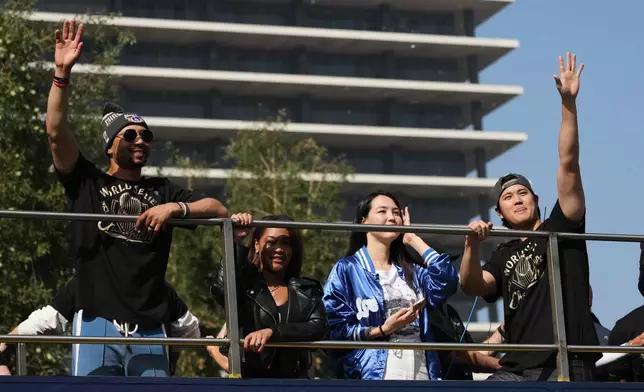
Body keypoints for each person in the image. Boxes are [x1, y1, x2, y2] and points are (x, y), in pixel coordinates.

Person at [46, 20, 228, 376]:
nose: (140, 140)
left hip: (150, 322)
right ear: (110, 146)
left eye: (146, 135)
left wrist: (175, 207)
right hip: (98, 318)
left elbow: (218, 208)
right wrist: (61, 74)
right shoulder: (87, 181)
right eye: (129, 135)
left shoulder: (162, 189)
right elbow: (55, 131)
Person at [459, 52, 599, 381]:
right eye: (508, 197)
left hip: (566, 361)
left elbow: (568, 162)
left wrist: (568, 103)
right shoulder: (502, 253)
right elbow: (472, 285)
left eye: (523, 192)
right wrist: (470, 245)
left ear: (536, 200)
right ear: (499, 212)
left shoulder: (562, 226)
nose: (517, 199)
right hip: (517, 368)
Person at [323, 191, 459, 380]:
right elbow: (333, 330)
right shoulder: (346, 269)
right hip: (374, 373)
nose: (391, 218)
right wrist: (383, 330)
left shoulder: (413, 271)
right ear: (363, 221)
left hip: (421, 368)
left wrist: (413, 239)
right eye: (382, 211)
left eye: (396, 213)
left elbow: (448, 282)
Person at [0, 277, 200, 376]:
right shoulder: (87, 282)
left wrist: (172, 354)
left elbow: (189, 330)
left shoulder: (158, 287)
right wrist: (7, 341)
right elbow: (47, 318)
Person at [210, 214, 327, 379]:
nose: (279, 249)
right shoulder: (244, 286)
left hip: (295, 384)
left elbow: (318, 328)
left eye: (286, 243)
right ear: (257, 244)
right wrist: (235, 241)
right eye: (271, 242)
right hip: (250, 382)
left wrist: (273, 332)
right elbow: (222, 291)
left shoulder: (307, 290)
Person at [429, 302, 501, 380]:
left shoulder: (449, 310)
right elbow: (457, 357)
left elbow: (473, 352)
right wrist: (505, 366)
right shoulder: (425, 312)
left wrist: (502, 332)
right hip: (440, 387)